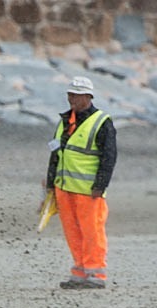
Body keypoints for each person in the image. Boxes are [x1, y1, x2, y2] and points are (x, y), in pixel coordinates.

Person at [45, 76, 117, 289]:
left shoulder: (102, 122)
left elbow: (109, 156)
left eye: (76, 95)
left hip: (88, 191)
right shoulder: (65, 121)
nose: (72, 99)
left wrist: (100, 185)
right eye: (70, 95)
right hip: (64, 188)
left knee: (92, 231)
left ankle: (96, 273)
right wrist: (50, 183)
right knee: (72, 231)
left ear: (88, 96)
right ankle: (80, 271)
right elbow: (56, 154)